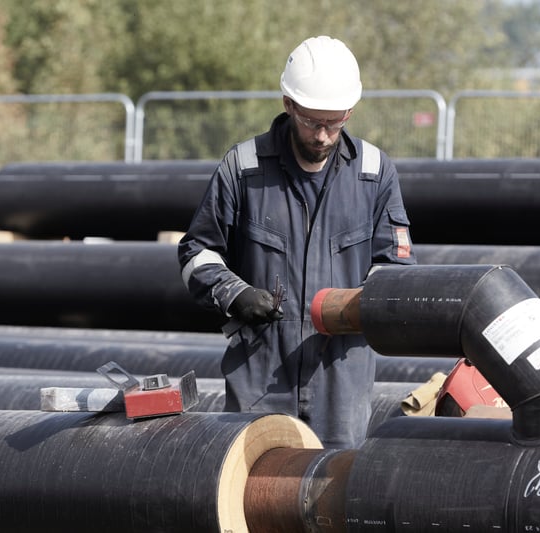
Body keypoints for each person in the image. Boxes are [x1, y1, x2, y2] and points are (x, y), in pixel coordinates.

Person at [177, 35, 416, 448]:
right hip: (261, 373)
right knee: (253, 491)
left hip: (341, 377)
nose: (323, 136)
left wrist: (360, 306)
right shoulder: (244, 169)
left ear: (350, 112)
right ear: (288, 105)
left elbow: (395, 268)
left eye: (334, 122)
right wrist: (235, 294)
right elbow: (197, 254)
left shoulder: (374, 174)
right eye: (311, 121)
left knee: (330, 493)